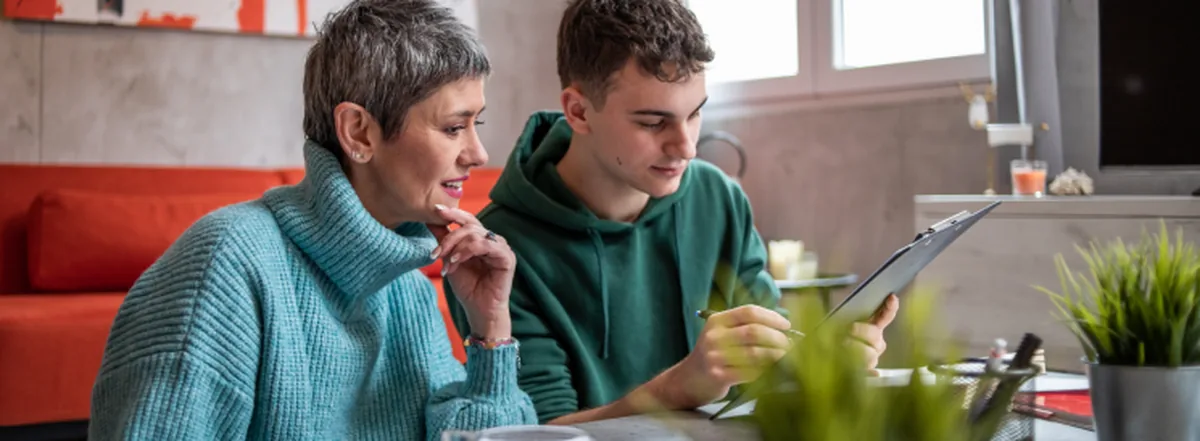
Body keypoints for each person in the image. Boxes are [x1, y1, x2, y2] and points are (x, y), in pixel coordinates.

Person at [88, 1, 536, 439]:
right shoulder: (223, 267)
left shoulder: (408, 286)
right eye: (454, 128)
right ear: (359, 132)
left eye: (477, 124)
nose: (479, 154)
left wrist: (490, 330)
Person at [443, 0, 899, 425]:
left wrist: (821, 362)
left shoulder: (717, 198)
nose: (686, 146)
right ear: (579, 111)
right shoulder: (498, 254)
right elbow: (541, 431)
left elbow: (767, 368)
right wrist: (681, 387)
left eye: (695, 114)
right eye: (653, 122)